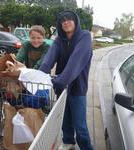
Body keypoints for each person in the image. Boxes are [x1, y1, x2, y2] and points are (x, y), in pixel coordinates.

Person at [39, 10, 93, 150]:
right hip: (61, 88)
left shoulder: (84, 36)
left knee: (79, 125)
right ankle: (68, 141)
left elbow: (75, 63)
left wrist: (59, 81)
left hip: (77, 87)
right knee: (64, 118)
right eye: (63, 20)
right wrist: (39, 75)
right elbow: (48, 59)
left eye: (69, 19)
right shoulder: (58, 40)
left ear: (76, 22)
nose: (66, 22)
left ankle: (86, 147)